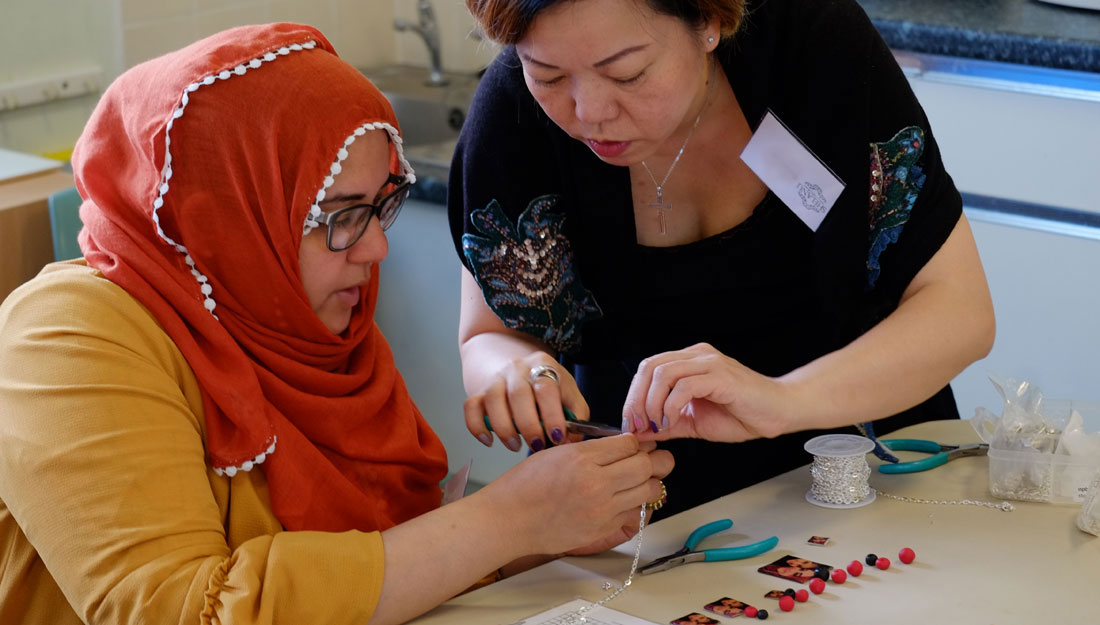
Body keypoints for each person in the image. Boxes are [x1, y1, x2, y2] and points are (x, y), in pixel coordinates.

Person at [0, 23, 673, 625]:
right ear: (224, 218)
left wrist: (552, 525)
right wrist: (511, 518)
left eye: (381, 204)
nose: (376, 248)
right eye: (339, 216)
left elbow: (392, 559)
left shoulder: (301, 326)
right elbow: (182, 609)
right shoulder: (66, 332)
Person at [450, 0, 995, 517]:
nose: (589, 113)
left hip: (859, 461)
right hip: (642, 493)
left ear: (708, 21)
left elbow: (959, 313)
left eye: (628, 73)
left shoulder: (813, 44)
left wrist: (781, 400)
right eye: (547, 75)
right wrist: (516, 372)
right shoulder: (512, 115)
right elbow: (488, 335)